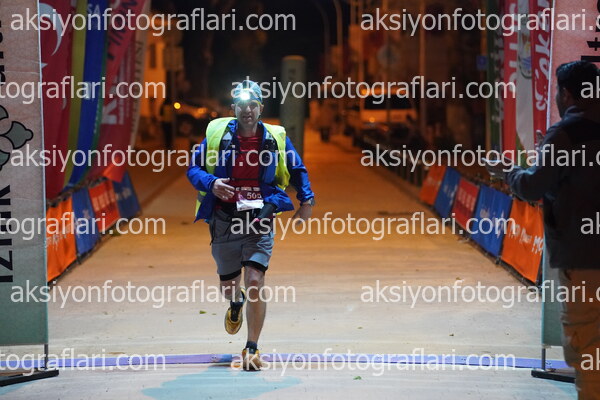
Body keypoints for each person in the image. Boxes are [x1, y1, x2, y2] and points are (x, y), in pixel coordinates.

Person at [486, 61, 600, 399]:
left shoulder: (566, 134)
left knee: (586, 346)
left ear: (566, 94)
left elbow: (534, 186)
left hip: (583, 257)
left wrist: (508, 171)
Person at [186, 80, 315, 371]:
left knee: (255, 280)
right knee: (229, 287)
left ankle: (252, 347)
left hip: (260, 220)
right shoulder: (217, 135)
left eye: (253, 105)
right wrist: (212, 183)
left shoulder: (275, 137)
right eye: (242, 105)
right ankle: (236, 302)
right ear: (233, 108)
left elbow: (297, 168)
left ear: (260, 108)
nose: (247, 110)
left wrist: (307, 201)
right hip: (224, 220)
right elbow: (193, 168)